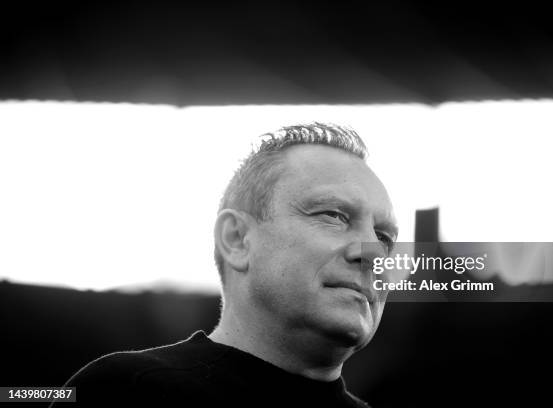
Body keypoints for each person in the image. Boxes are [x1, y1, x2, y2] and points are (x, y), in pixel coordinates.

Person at [53, 123, 398, 407]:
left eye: (384, 237)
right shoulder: (123, 393)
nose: (374, 255)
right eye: (334, 215)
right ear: (237, 239)